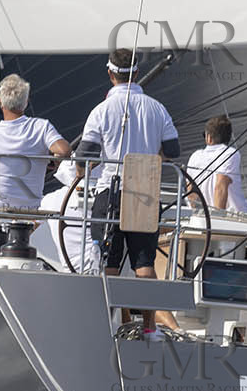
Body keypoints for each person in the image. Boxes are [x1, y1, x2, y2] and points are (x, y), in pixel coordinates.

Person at [76, 48, 180, 339]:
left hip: (110, 192)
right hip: (145, 191)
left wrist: (82, 172)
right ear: (137, 73)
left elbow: (85, 155)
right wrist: (149, 161)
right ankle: (149, 328)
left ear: (111, 74)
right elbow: (173, 150)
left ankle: (103, 328)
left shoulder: (101, 111)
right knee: (144, 263)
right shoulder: (157, 109)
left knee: (108, 263)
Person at [0, 74, 71, 261]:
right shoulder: (41, 127)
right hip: (30, 205)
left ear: (0, 102)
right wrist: (51, 159)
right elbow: (65, 151)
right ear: (25, 103)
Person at [185, 115, 247, 212]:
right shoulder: (230, 153)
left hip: (204, 216)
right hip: (234, 217)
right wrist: (217, 217)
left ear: (208, 137)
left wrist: (195, 214)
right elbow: (220, 186)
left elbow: (191, 192)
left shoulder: (195, 156)